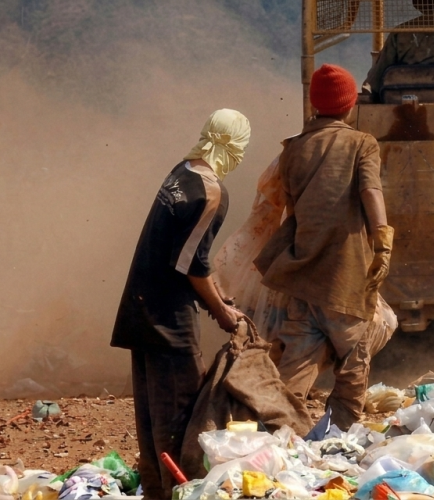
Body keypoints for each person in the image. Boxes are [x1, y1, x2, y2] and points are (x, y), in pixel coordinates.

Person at [110, 109, 249, 499]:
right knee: (180, 416)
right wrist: (222, 312)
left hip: (140, 309)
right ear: (235, 145)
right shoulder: (211, 192)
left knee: (151, 416)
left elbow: (185, 253)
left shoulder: (181, 171)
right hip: (169, 321)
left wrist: (219, 296)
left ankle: (156, 490)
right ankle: (181, 492)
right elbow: (192, 264)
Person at [255, 63, 397, 430]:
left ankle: (277, 435)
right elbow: (370, 191)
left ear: (315, 105)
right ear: (350, 105)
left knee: (298, 361)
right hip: (343, 273)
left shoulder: (293, 149)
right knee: (353, 358)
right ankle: (343, 435)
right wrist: (382, 241)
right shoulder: (361, 143)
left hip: (301, 272)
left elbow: (289, 206)